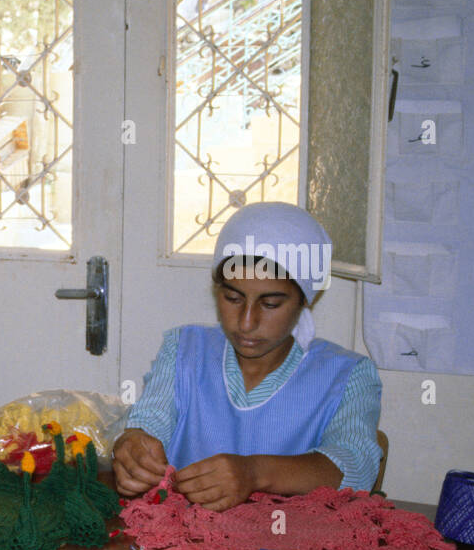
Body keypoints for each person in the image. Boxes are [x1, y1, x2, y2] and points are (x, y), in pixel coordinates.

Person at [115, 202, 382, 511]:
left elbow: (356, 466)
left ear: (305, 300)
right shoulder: (183, 350)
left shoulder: (347, 375)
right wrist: (133, 443)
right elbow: (150, 421)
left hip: (286, 549)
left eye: (270, 304)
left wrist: (255, 473)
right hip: (187, 543)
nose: (246, 322)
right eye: (232, 298)